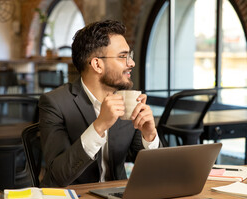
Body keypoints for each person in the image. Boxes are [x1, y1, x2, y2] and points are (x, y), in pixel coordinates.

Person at [39, 20, 160, 187]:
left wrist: (150, 136)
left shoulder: (128, 100)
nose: (131, 63)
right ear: (97, 64)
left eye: (129, 56)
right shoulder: (55, 103)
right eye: (122, 56)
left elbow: (155, 171)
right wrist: (99, 126)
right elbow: (56, 177)